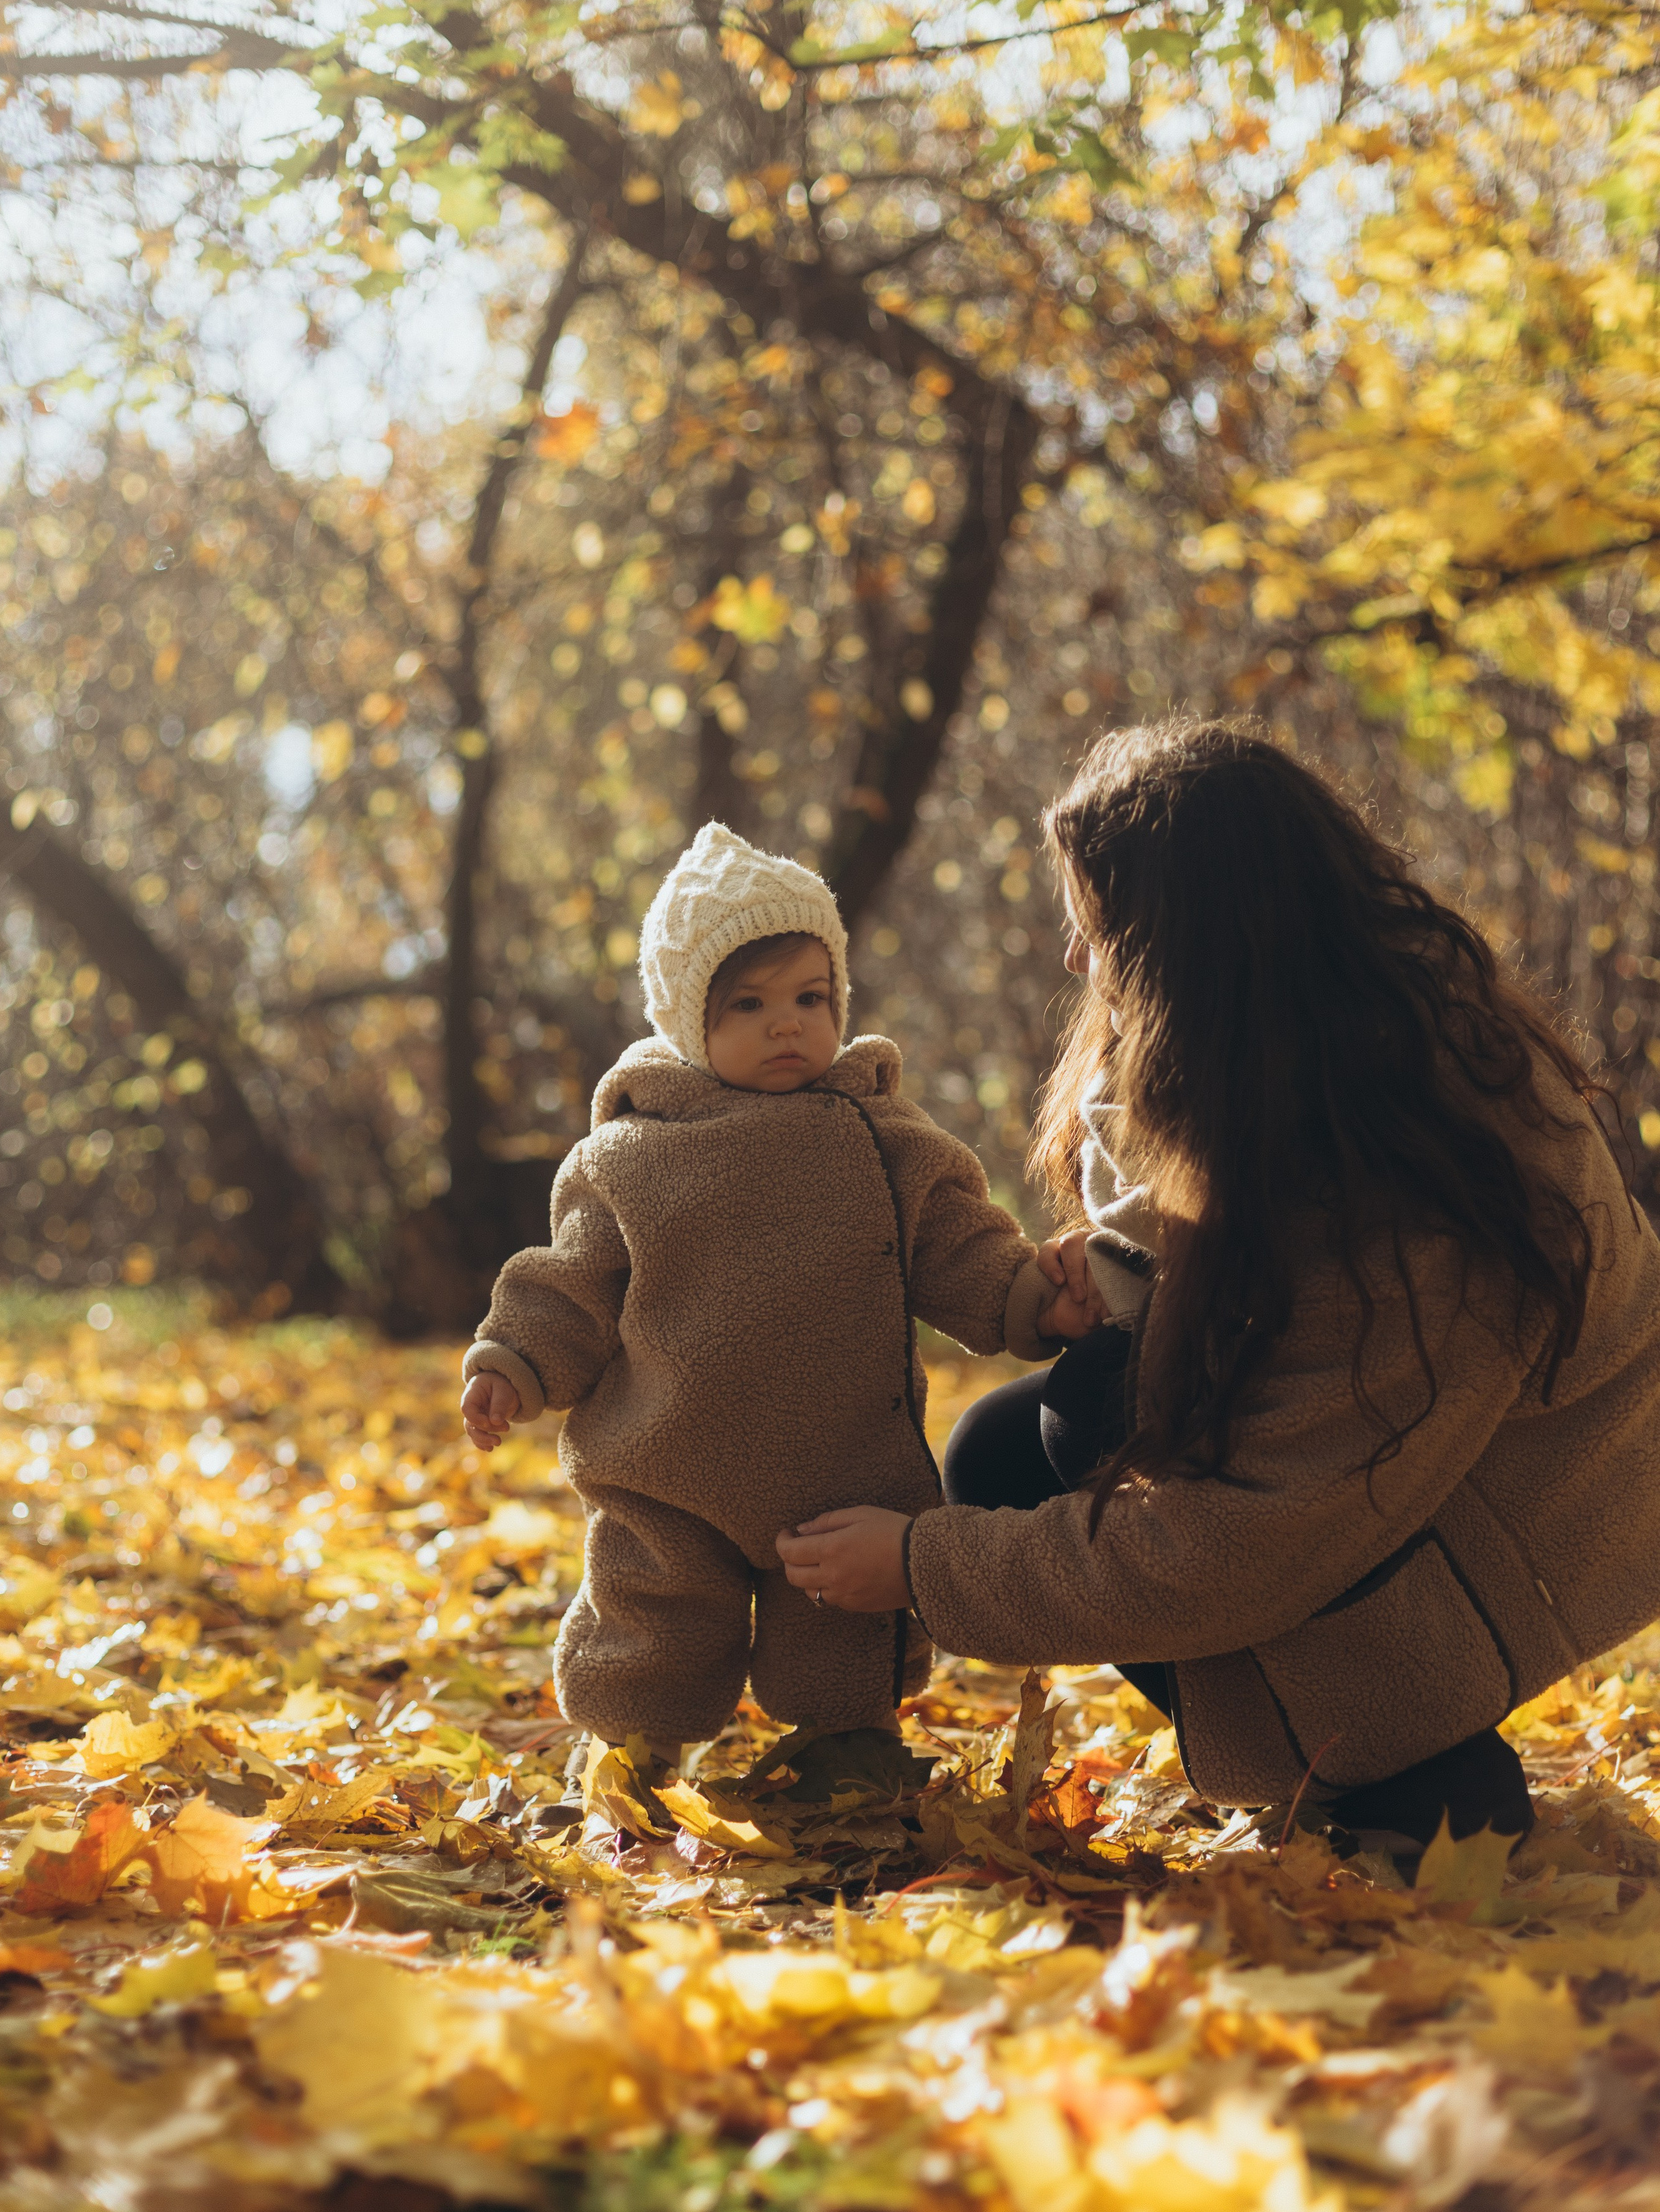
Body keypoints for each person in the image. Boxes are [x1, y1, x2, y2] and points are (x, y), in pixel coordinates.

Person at [776, 719, 1660, 1853]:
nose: (1072, 962)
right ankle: (1346, 1736)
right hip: (1422, 1479)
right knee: (1019, 1441)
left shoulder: (1405, 1175)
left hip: (1537, 1519)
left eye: (1095, 932)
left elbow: (1244, 1539)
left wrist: (914, 1565)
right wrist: (1096, 1278)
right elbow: (1235, 1274)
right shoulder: (1318, 1047)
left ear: (1188, 948)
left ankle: (1404, 1765)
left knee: (1079, 1423)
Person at [460, 821, 1097, 1787]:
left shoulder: (880, 1132)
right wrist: (512, 1359)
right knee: (653, 1618)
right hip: (669, 1462)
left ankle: (848, 1747)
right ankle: (630, 1755)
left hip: (838, 1458)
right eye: (749, 1005)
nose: (788, 1024)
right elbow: (572, 1279)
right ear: (685, 1019)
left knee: (840, 1621)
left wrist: (1028, 1297)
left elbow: (957, 1241)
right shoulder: (632, 1154)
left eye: (811, 998)